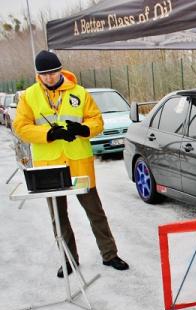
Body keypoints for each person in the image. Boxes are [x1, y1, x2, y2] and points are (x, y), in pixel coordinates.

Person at [14, 50, 129, 278]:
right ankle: (68, 259)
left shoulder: (80, 93)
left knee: (96, 213)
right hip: (49, 167)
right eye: (44, 74)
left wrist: (83, 129)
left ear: (60, 70)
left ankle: (110, 254)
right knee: (59, 216)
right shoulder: (29, 96)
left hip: (79, 163)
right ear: (39, 75)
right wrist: (49, 133)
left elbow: (97, 120)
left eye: (53, 72)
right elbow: (21, 127)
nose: (49, 77)